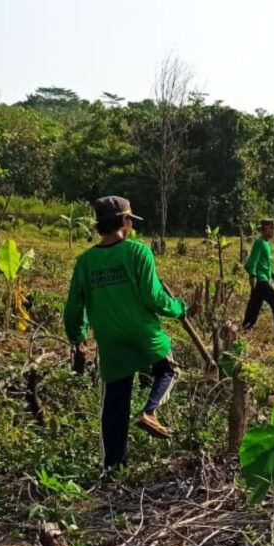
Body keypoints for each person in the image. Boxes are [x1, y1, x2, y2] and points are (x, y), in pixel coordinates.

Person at [63, 196, 187, 470]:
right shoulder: (138, 252)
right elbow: (154, 298)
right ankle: (149, 411)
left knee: (114, 404)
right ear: (126, 222)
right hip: (144, 335)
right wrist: (178, 308)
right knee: (170, 371)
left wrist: (77, 335)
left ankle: (113, 467)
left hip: (110, 341)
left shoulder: (86, 261)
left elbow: (74, 307)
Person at [242, 219, 274, 332]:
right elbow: (252, 261)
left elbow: (267, 263)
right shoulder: (259, 243)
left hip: (264, 277)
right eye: (273, 229)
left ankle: (247, 325)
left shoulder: (266, 244)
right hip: (260, 279)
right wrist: (252, 276)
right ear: (266, 229)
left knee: (255, 303)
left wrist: (273, 275)